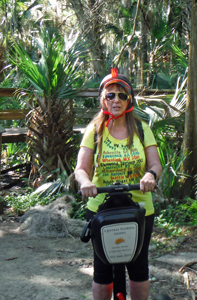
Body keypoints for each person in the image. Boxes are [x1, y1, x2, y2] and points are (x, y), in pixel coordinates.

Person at [75, 69, 162, 300]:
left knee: (138, 265)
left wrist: (150, 176)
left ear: (129, 99)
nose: (116, 100)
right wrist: (85, 183)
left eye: (121, 95)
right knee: (103, 268)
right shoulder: (94, 131)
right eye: (110, 95)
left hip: (139, 208)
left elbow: (155, 164)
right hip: (101, 208)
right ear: (103, 99)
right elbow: (81, 169)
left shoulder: (142, 129)